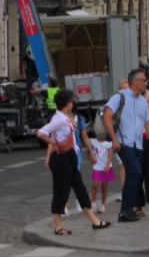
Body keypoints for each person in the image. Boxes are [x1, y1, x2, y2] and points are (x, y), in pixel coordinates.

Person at [37, 89, 112, 236]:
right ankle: (58, 227)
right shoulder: (58, 119)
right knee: (61, 191)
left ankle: (95, 221)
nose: (73, 103)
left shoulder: (65, 117)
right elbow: (41, 133)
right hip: (60, 159)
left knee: (81, 189)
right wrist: (53, 143)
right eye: (72, 101)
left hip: (70, 155)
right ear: (66, 103)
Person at [103, 69, 149, 224]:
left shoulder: (142, 101)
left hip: (138, 144)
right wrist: (114, 139)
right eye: (144, 80)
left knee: (133, 174)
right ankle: (126, 210)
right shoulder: (119, 97)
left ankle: (127, 210)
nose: (146, 83)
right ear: (135, 82)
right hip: (123, 143)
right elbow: (106, 116)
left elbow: (147, 123)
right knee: (135, 172)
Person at [88, 126, 114, 213]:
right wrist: (90, 157)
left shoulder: (108, 143)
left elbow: (110, 156)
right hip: (97, 166)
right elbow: (88, 150)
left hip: (106, 166)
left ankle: (102, 205)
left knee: (104, 186)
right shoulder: (93, 141)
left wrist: (107, 166)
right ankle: (93, 203)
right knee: (95, 184)